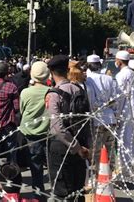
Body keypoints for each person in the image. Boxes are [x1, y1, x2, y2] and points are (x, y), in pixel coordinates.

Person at [45, 55, 90, 201]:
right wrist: (84, 147)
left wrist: (75, 146)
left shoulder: (54, 94)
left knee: (63, 191)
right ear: (67, 70)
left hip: (62, 147)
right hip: (81, 145)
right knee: (78, 189)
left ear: (51, 72)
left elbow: (57, 127)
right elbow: (88, 118)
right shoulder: (79, 89)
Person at [18, 61, 50, 200]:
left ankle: (38, 197)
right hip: (48, 134)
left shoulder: (25, 92)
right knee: (52, 168)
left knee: (36, 170)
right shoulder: (51, 92)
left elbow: (21, 110)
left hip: (30, 135)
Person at [85, 54, 118, 181]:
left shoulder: (88, 80)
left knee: (97, 149)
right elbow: (115, 99)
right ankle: (110, 172)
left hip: (96, 119)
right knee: (110, 148)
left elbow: (91, 102)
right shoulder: (109, 79)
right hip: (110, 118)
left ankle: (101, 174)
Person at [114, 50, 134, 178]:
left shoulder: (121, 75)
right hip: (133, 110)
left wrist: (117, 114)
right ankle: (133, 167)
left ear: (119, 61)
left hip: (124, 111)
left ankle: (125, 170)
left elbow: (120, 97)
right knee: (131, 140)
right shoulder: (133, 74)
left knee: (124, 141)